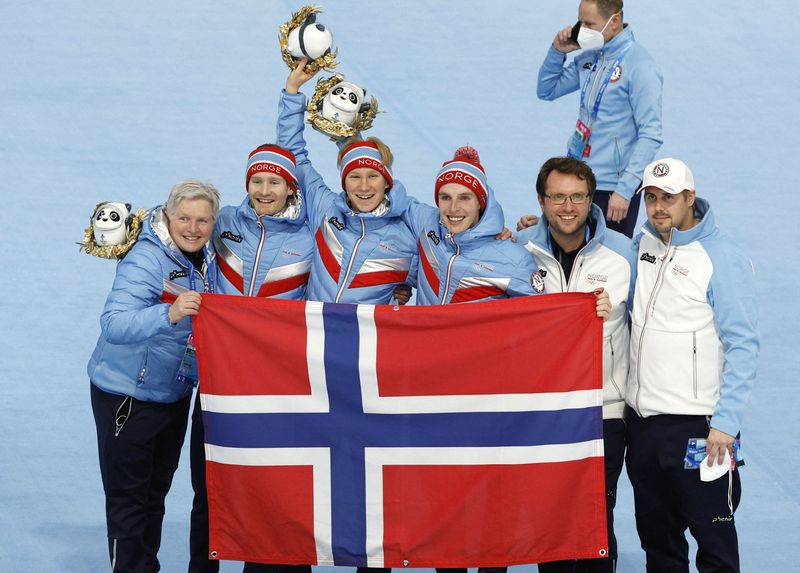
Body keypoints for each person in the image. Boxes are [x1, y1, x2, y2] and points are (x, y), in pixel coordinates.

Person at [625, 158, 759, 572]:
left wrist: (725, 422)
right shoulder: (643, 243)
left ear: (690, 198)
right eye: (651, 198)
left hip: (701, 430)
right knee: (658, 544)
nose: (658, 207)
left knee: (715, 544)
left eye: (668, 198)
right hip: (644, 425)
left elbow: (744, 344)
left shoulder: (720, 257)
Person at [188, 145, 314, 573]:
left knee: (273, 495)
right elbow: (178, 226)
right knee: (210, 490)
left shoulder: (310, 235)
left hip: (278, 388)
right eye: (256, 181)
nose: (264, 190)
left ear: (289, 186)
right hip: (220, 381)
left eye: (274, 181)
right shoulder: (224, 223)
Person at [88, 179, 220, 573]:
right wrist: (170, 313)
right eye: (184, 218)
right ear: (167, 215)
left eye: (202, 220)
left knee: (153, 497)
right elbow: (113, 324)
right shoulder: (145, 259)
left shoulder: (208, 256)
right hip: (127, 397)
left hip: (172, 396)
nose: (193, 228)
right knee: (129, 504)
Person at [515, 157, 635, 572]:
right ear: (542, 200)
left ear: (591, 200)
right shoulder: (519, 251)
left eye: (578, 197)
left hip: (605, 411)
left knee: (595, 517)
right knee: (550, 519)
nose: (568, 207)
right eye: (558, 197)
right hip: (542, 413)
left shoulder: (624, 255)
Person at [277, 61, 418, 305]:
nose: (363, 187)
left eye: (373, 177)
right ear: (344, 182)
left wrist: (498, 234)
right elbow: (293, 157)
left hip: (364, 342)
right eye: (354, 177)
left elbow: (448, 267)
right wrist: (292, 92)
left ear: (387, 183)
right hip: (313, 338)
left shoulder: (406, 236)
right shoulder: (325, 208)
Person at [537, 0, 663, 238]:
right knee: (571, 261)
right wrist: (557, 51)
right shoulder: (591, 57)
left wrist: (625, 191)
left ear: (614, 21)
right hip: (576, 181)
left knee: (607, 270)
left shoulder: (640, 65)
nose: (581, 30)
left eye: (589, 24)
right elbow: (547, 90)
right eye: (580, 22)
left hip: (612, 190)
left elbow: (651, 135)